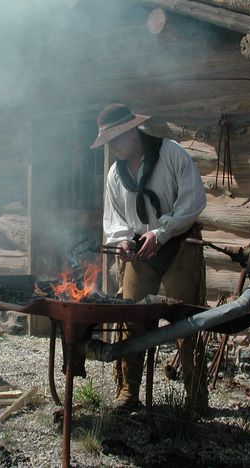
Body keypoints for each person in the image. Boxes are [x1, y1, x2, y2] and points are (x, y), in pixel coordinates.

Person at [90, 103, 209, 414]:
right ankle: (129, 392)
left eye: (116, 138)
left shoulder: (171, 154)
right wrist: (122, 243)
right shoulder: (116, 174)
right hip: (140, 252)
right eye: (108, 141)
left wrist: (162, 232)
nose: (113, 146)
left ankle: (195, 399)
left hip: (180, 244)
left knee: (188, 321)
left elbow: (193, 200)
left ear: (133, 131)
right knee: (132, 319)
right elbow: (114, 218)